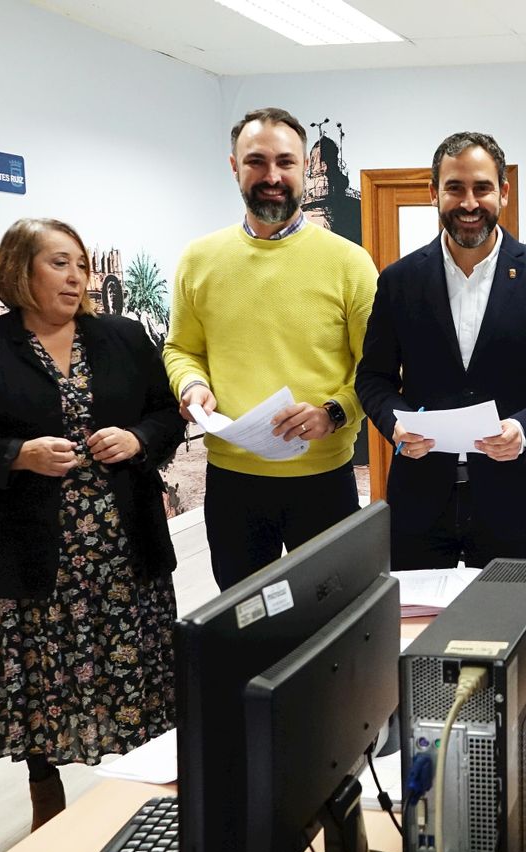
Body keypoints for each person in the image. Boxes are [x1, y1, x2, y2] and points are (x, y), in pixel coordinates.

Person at [0, 218, 185, 831]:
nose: (76, 276)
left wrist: (138, 439)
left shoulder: (123, 338)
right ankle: (45, 786)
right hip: (24, 549)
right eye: (59, 262)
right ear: (19, 269)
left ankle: (154, 786)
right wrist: (17, 455)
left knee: (139, 670)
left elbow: (167, 417)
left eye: (81, 264)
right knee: (37, 676)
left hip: (121, 546)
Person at [164, 107, 377, 591]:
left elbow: (378, 369)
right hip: (233, 483)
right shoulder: (200, 260)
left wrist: (335, 412)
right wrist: (192, 384)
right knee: (243, 623)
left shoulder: (349, 263)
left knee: (331, 623)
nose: (272, 176)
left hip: (323, 480)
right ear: (234, 167)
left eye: (286, 161)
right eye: (256, 161)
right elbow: (181, 349)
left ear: (305, 167)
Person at [356, 131, 526, 568]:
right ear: (434, 193)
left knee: (502, 631)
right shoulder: (399, 281)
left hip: (510, 502)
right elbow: (373, 378)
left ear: (502, 192)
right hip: (419, 503)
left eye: (482, 188)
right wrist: (393, 424)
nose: (468, 203)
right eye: (455, 188)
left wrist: (524, 429)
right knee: (420, 632)